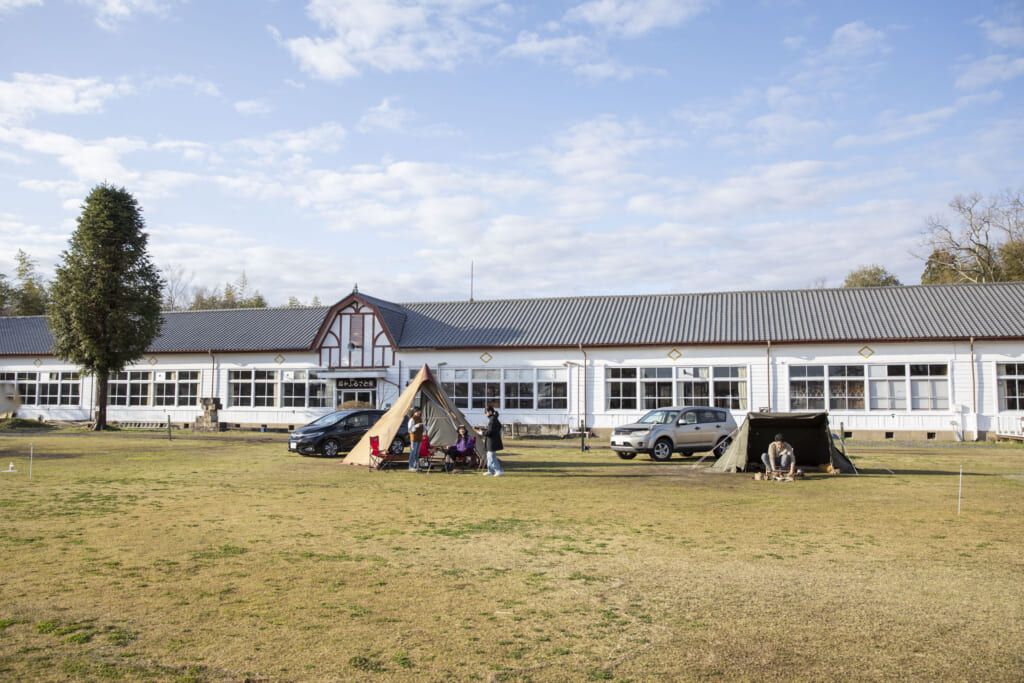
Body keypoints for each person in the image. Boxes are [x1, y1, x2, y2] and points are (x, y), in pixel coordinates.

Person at [481, 406, 504, 476]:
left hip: (492, 441)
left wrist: (482, 433)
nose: (486, 414)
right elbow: (498, 427)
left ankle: (499, 470)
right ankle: (490, 470)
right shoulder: (494, 419)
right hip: (492, 440)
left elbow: (490, 432)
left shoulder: (492, 419)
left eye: (486, 412)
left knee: (491, 456)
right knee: (489, 456)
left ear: (490, 411)